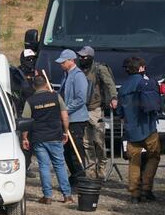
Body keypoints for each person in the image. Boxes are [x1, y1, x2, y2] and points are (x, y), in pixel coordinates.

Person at [115, 56, 162, 204]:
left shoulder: (123, 88)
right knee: (154, 157)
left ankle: (134, 194)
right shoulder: (147, 83)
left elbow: (119, 112)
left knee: (134, 162)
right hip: (149, 129)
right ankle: (147, 189)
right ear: (141, 68)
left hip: (131, 131)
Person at [21, 75, 73, 204]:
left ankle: (47, 196)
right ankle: (67, 195)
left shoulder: (30, 101)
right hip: (56, 135)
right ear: (46, 84)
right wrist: (65, 132)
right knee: (60, 165)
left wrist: (24, 138)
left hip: (39, 138)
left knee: (44, 166)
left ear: (34, 87)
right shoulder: (56, 96)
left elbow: (25, 122)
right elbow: (65, 117)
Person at [77, 46, 117, 178]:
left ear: (91, 57)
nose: (81, 59)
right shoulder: (77, 69)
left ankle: (102, 165)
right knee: (86, 142)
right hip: (82, 109)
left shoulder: (100, 69)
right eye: (80, 56)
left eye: (84, 57)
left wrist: (114, 98)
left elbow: (110, 84)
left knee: (99, 141)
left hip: (96, 110)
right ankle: (91, 169)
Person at [56, 49, 88, 184]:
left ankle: (80, 177)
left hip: (76, 119)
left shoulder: (78, 76)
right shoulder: (66, 75)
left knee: (75, 152)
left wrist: (65, 110)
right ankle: (75, 176)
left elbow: (81, 99)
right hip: (66, 118)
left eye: (63, 62)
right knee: (66, 151)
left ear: (71, 61)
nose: (61, 64)